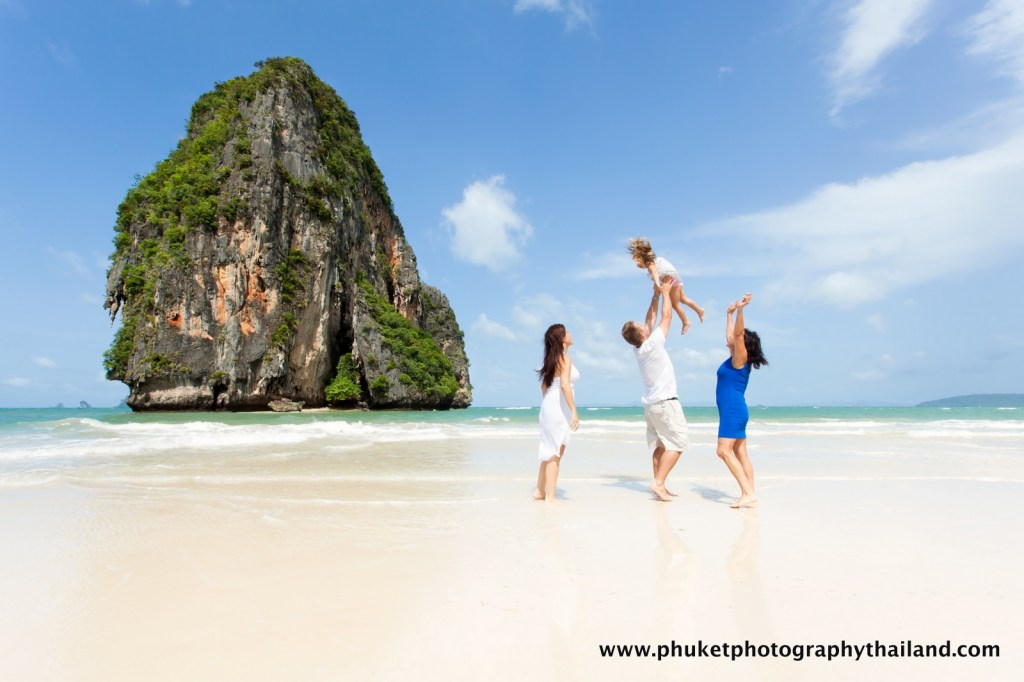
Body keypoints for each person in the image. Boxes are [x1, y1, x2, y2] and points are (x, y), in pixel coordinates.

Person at [620, 279, 690, 502]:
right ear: (642, 335)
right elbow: (666, 318)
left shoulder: (639, 348)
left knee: (660, 446)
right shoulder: (652, 344)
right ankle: (658, 483)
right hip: (665, 403)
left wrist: (656, 296)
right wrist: (667, 293)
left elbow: (650, 319)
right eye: (642, 328)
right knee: (678, 443)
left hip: (651, 406)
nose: (645, 326)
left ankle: (660, 486)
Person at [715, 292, 768, 509]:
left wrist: (741, 310)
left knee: (723, 451)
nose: (732, 338)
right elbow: (732, 335)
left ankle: (746, 492)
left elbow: (736, 336)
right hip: (735, 410)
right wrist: (728, 315)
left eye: (738, 338)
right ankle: (751, 493)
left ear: (743, 344)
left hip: (733, 411)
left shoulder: (740, 359)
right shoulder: (734, 359)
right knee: (739, 452)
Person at [534, 323, 580, 502]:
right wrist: (574, 411)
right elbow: (564, 385)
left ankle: (539, 491)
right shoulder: (565, 359)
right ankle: (550, 497)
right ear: (562, 338)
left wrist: (549, 403)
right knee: (555, 452)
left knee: (549, 449)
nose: (570, 333)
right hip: (558, 407)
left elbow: (544, 386)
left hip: (551, 405)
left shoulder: (551, 359)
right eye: (567, 331)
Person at [627, 237, 705, 334]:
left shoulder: (650, 264)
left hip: (670, 279)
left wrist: (657, 283)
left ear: (642, 258)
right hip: (674, 278)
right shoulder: (654, 261)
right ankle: (699, 310)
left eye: (639, 264)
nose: (638, 266)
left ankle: (686, 322)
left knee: (674, 304)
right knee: (684, 299)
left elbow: (655, 273)